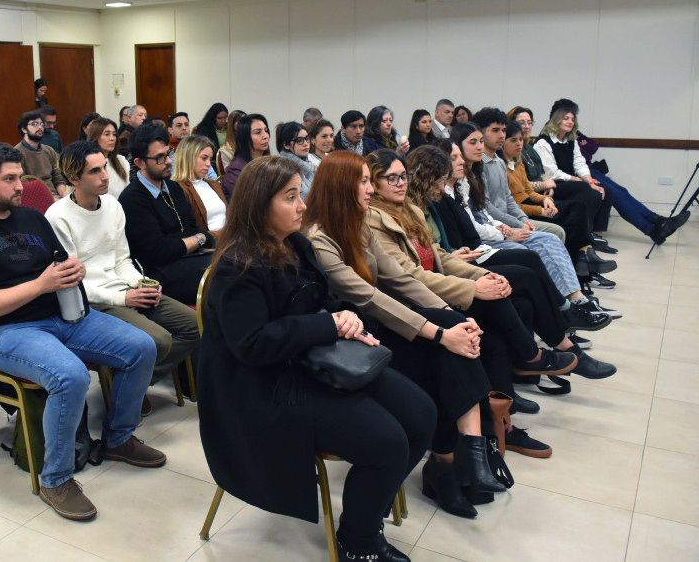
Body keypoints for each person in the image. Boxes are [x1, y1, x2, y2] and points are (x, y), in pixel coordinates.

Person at [197, 155, 437, 561]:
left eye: (299, 195)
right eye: (290, 197)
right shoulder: (237, 266)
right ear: (259, 204)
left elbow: (323, 299)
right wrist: (327, 325)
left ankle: (367, 510)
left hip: (310, 360)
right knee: (388, 443)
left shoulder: (296, 244)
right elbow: (252, 345)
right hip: (264, 386)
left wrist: (348, 321)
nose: (302, 206)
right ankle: (357, 541)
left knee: (422, 414)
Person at [306, 152, 555, 514]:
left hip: (383, 322)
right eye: (362, 181)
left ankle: (462, 457)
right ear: (340, 188)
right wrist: (439, 332)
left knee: (455, 341)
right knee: (442, 354)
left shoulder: (358, 222)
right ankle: (453, 463)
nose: (368, 188)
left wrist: (448, 316)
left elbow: (399, 277)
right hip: (357, 336)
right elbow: (369, 297)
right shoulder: (320, 238)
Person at [0, 140, 165, 521]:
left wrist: (71, 272)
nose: (19, 186)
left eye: (18, 177)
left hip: (62, 316)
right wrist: (41, 285)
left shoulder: (30, 218)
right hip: (4, 332)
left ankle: (118, 438)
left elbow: (58, 264)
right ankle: (55, 478)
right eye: (9, 179)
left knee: (142, 347)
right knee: (70, 375)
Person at [396, 145, 618, 380]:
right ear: (426, 176)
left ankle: (555, 340)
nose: (457, 164)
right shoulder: (422, 206)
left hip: (463, 257)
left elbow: (468, 227)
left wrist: (510, 226)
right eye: (454, 158)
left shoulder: (438, 199)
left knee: (526, 283)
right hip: (454, 268)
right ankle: (559, 337)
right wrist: (475, 253)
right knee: (522, 272)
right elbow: (429, 258)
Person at [47, 141, 199, 408]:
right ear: (74, 179)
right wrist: (125, 299)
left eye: (104, 167)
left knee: (194, 325)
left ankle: (129, 384)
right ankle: (129, 389)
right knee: (159, 341)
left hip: (123, 287)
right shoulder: (58, 217)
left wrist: (141, 284)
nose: (105, 176)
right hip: (94, 300)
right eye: (94, 171)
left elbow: (122, 260)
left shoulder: (113, 206)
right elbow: (74, 284)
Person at [428, 137, 620, 343]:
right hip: (477, 247)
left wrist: (520, 220)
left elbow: (507, 200)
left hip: (490, 235)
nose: (462, 160)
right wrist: (508, 229)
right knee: (532, 256)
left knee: (553, 237)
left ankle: (575, 300)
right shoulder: (445, 193)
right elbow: (477, 220)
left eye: (482, 141)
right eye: (456, 155)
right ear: (438, 164)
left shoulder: (483, 173)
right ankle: (565, 318)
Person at [536, 99, 688, 245]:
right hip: (565, 180)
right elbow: (553, 172)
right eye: (566, 117)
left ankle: (659, 221)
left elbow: (585, 155)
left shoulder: (571, 138)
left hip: (583, 173)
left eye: (572, 118)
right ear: (556, 118)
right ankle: (653, 229)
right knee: (612, 192)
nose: (570, 121)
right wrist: (583, 180)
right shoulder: (545, 140)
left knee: (621, 191)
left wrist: (588, 180)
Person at [500, 120, 615, 277]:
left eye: (520, 139)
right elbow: (515, 204)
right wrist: (541, 210)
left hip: (531, 204)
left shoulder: (517, 163)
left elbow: (528, 190)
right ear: (502, 142)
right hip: (522, 211)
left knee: (578, 207)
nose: (519, 144)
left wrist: (544, 200)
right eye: (513, 140)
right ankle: (583, 264)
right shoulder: (501, 166)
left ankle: (584, 258)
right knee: (572, 216)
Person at [120, 125, 213, 305]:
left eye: (168, 153)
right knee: (223, 272)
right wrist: (201, 238)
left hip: (187, 261)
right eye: (159, 158)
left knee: (234, 261)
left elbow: (192, 228)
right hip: (158, 275)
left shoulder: (174, 188)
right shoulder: (132, 199)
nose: (169, 161)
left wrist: (196, 238)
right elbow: (160, 251)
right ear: (140, 163)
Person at [469, 108, 570, 247]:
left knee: (558, 231)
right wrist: (519, 223)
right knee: (554, 233)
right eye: (495, 130)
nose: (501, 135)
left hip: (509, 220)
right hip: (494, 224)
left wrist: (523, 219)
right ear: (481, 132)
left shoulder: (499, 162)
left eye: (504, 130)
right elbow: (486, 207)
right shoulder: (478, 165)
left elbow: (508, 198)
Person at [172, 135, 228, 237]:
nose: (209, 164)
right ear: (189, 157)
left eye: (210, 159)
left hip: (228, 240)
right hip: (208, 245)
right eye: (204, 158)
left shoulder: (214, 184)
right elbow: (189, 231)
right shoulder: (178, 189)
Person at [15, 110, 67, 199]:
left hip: (55, 197)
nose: (40, 127)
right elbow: (25, 185)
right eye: (35, 124)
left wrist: (65, 198)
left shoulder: (49, 150)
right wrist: (52, 200)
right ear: (24, 129)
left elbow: (58, 178)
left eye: (41, 124)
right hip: (35, 199)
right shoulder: (16, 153)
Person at [221, 113, 270, 199]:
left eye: (266, 131)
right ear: (245, 138)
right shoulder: (236, 170)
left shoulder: (267, 163)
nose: (265, 136)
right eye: (258, 132)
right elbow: (251, 202)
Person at [86, 117, 131, 199]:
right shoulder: (86, 163)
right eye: (107, 134)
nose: (112, 138)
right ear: (95, 137)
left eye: (114, 134)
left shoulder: (121, 161)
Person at [276, 121, 319, 199]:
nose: (305, 143)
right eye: (299, 140)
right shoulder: (283, 170)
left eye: (307, 138)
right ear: (286, 145)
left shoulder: (311, 166)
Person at [216, 109, 245, 174]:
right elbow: (230, 175)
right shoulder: (225, 150)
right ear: (232, 125)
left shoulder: (252, 144)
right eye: (241, 122)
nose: (245, 125)